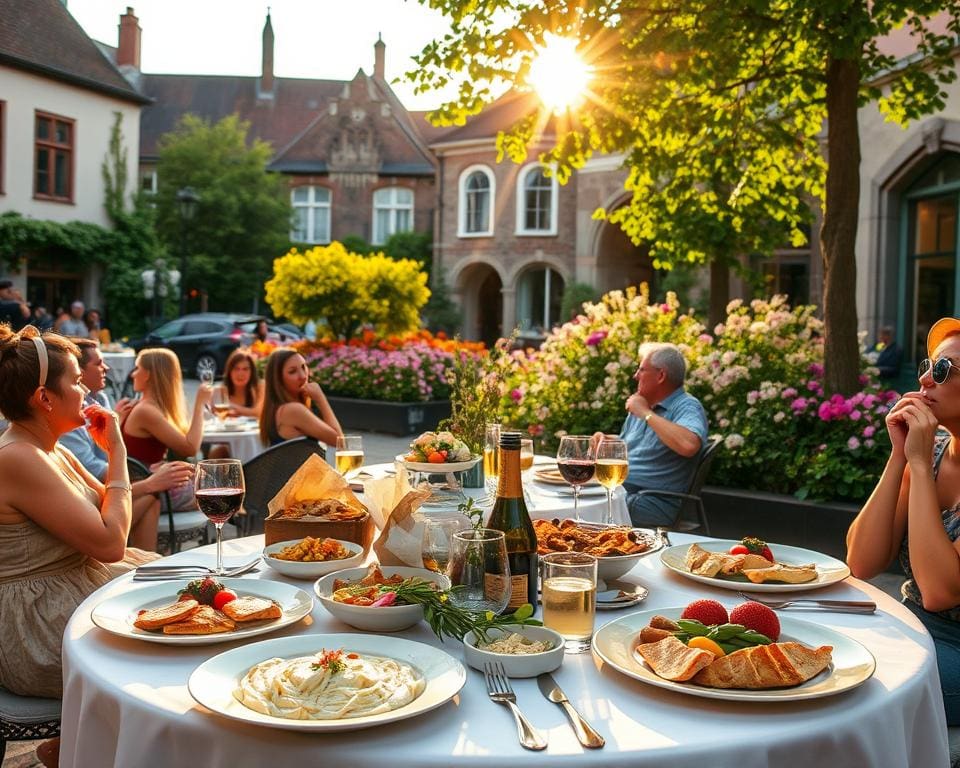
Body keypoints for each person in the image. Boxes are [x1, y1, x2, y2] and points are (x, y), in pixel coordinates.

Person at [0, 326, 157, 699]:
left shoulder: (50, 448)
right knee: (175, 644)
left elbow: (113, 511)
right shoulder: (19, 457)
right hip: (39, 626)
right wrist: (117, 453)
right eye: (76, 381)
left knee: (195, 606)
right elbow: (111, 541)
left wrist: (114, 467)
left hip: (72, 590)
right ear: (44, 398)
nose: (87, 390)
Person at [847, 316, 960, 725]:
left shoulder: (925, 452)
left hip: (953, 648)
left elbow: (939, 593)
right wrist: (900, 455)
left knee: (847, 690)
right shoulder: (930, 451)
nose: (926, 380)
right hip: (910, 625)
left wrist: (916, 457)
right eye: (927, 365)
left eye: (943, 369)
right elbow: (862, 562)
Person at [59, 339, 194, 550]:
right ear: (79, 372)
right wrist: (148, 479)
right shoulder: (70, 414)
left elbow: (108, 450)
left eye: (137, 368)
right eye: (99, 363)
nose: (107, 368)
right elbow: (93, 472)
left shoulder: (100, 399)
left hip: (120, 484)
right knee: (202, 485)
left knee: (156, 496)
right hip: (91, 499)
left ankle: (145, 565)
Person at [594, 342, 708, 527]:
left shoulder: (686, 406)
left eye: (641, 370)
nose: (636, 375)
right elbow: (630, 444)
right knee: (569, 493)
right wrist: (607, 440)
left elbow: (689, 445)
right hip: (625, 492)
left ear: (661, 375)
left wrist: (645, 413)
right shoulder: (645, 405)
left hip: (652, 502)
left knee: (582, 504)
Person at [120, 349, 212, 507]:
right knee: (220, 488)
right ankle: (247, 524)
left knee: (214, 481)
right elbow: (190, 448)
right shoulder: (146, 410)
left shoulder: (147, 407)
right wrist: (200, 404)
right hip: (147, 489)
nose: (133, 374)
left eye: (137, 368)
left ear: (149, 374)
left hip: (148, 484)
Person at [259, 348, 342, 447]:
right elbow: (339, 442)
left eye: (303, 367)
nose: (303, 376)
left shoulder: (277, 408)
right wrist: (321, 399)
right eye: (292, 371)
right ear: (278, 380)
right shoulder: (293, 410)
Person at [218, 348, 264, 418]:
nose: (240, 374)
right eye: (236, 369)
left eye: (245, 369)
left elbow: (258, 412)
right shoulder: (221, 390)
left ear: (252, 372)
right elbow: (217, 414)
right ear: (229, 371)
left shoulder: (260, 387)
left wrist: (230, 406)